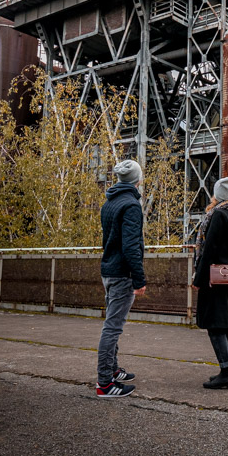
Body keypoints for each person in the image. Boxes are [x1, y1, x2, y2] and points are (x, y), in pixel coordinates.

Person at [96, 159, 146, 397]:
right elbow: (131, 247)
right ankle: (105, 383)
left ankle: (113, 371)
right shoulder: (131, 205)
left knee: (112, 324)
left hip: (108, 270)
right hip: (122, 274)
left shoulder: (110, 202)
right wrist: (139, 279)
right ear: (138, 180)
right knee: (113, 328)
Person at [192, 176, 228, 390]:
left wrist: (199, 279)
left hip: (216, 278)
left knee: (215, 324)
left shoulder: (218, 215)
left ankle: (227, 372)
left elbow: (210, 249)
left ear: (219, 195)